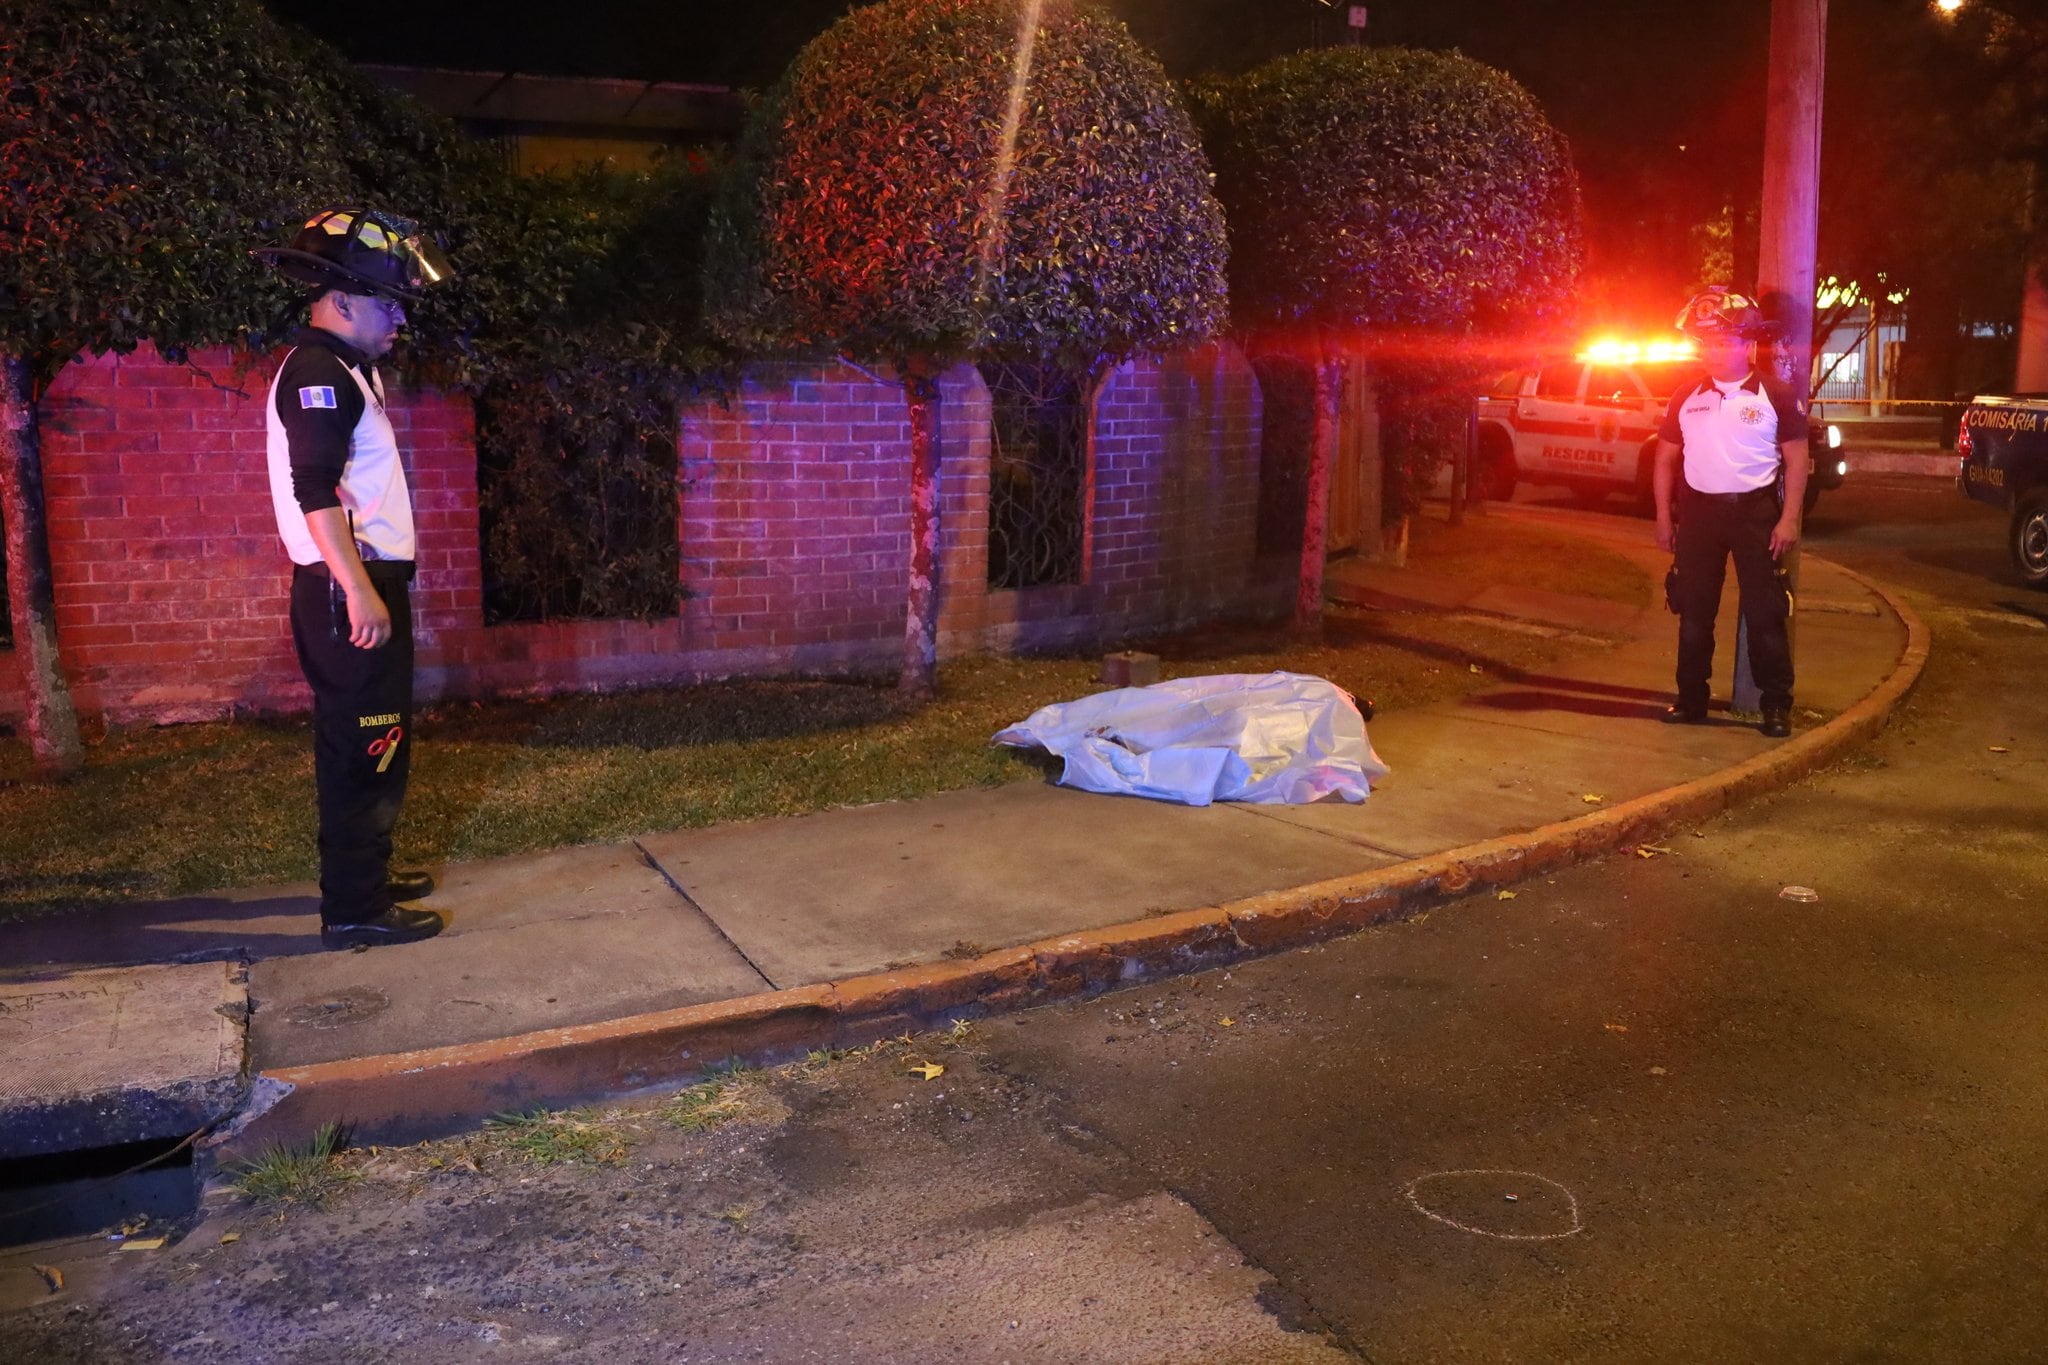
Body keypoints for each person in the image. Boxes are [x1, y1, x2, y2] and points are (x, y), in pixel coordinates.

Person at [253, 208, 454, 949]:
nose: (399, 316)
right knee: (364, 740)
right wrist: (360, 587)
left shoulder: (340, 370)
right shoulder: (318, 375)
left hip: (353, 585)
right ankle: (355, 904)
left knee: (373, 734)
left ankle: (364, 877)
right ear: (340, 301)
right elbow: (315, 491)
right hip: (348, 592)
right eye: (387, 301)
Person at [1651, 287, 1807, 739]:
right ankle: (1691, 699)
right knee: (1695, 611)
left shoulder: (1774, 393)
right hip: (1699, 515)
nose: (1711, 352)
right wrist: (1665, 517)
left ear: (1746, 344)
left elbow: (1797, 460)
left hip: (1756, 514)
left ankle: (1775, 706)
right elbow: (1664, 459)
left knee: (1765, 613)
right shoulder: (1685, 395)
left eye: (1721, 342)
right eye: (1704, 344)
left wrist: (1789, 518)